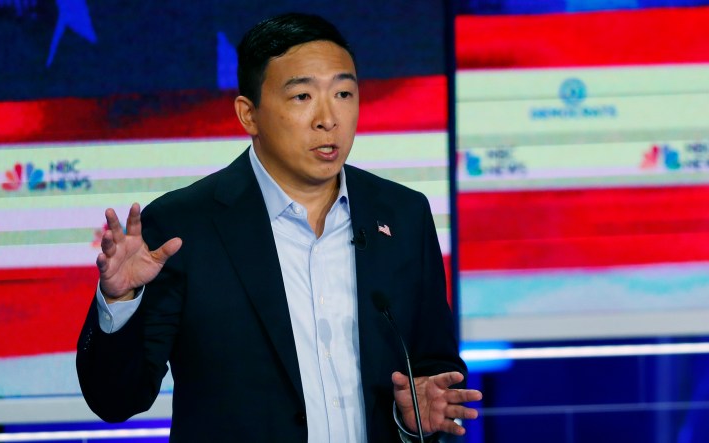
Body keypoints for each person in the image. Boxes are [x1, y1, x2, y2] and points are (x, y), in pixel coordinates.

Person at [76, 12, 482, 443]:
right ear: (248, 114)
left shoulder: (403, 216)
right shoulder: (183, 227)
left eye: (344, 93)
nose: (329, 118)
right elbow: (115, 400)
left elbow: (432, 372)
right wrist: (120, 302)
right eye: (303, 97)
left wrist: (411, 418)